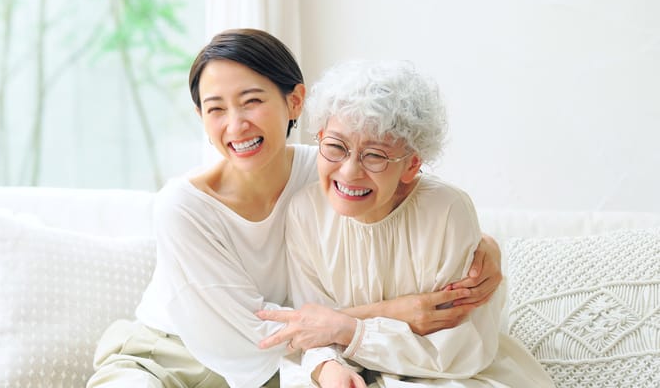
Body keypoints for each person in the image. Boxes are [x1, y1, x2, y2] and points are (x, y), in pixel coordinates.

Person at [87, 29, 503, 388]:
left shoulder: (329, 170)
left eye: (251, 101)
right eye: (216, 109)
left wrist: (483, 245)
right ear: (201, 117)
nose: (236, 124)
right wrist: (390, 314)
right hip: (169, 358)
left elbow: (406, 197)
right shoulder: (183, 207)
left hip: (291, 365)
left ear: (295, 101)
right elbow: (251, 335)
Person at [280, 59, 553, 387]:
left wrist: (352, 332)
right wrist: (327, 366)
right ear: (321, 138)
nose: (349, 171)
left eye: (375, 155)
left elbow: (458, 350)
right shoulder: (304, 212)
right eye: (336, 147)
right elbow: (313, 327)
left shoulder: (447, 211)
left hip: (453, 377)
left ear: (411, 164)